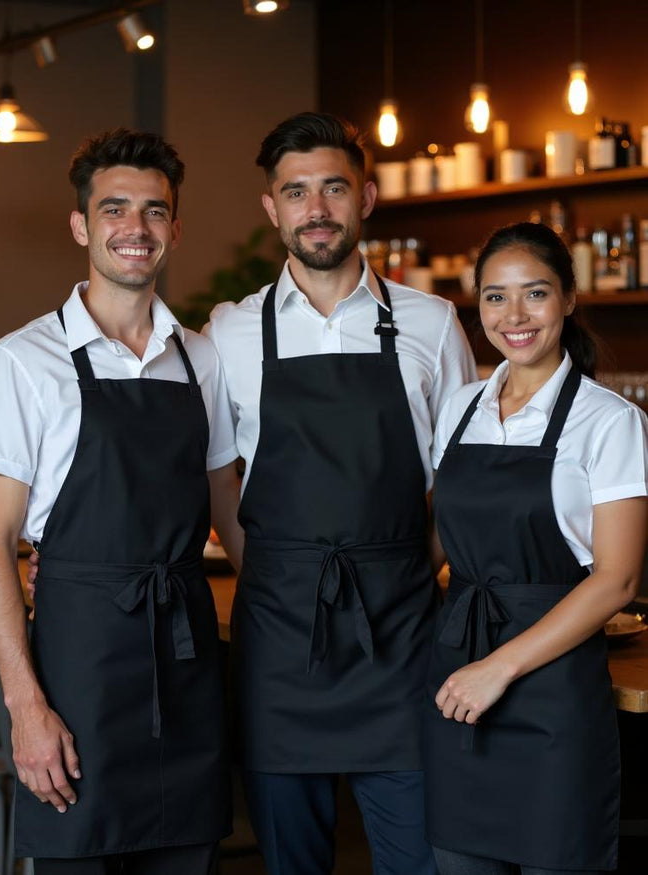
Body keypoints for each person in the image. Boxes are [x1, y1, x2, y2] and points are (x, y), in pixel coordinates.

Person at [205, 112, 477, 875]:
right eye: (296, 191)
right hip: (279, 636)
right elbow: (216, 473)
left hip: (402, 634)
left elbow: (459, 472)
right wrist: (272, 567)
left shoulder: (432, 323)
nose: (316, 208)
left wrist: (404, 566)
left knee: (423, 858)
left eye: (333, 187)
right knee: (292, 863)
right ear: (272, 207)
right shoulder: (228, 331)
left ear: (368, 196)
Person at [0, 129, 238, 875]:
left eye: (155, 211)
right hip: (78, 667)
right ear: (82, 225)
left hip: (186, 664)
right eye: (115, 209)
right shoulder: (24, 361)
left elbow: (228, 507)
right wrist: (26, 707)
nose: (136, 229)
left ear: (174, 229)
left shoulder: (201, 357)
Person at [423, 221, 648, 875]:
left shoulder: (610, 421)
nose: (513, 315)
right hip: (456, 678)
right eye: (495, 296)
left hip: (551, 694)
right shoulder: (461, 407)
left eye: (535, 293)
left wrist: (499, 668)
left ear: (569, 298)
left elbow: (616, 581)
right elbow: (438, 540)